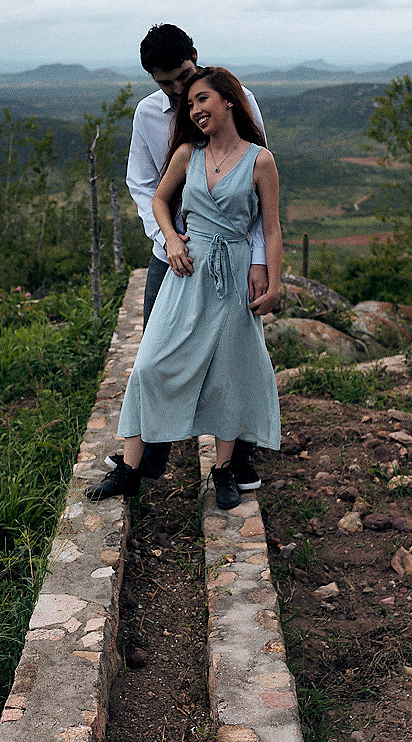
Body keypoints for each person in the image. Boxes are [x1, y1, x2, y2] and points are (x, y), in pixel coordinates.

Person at [86, 66, 282, 510]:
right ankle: (131, 471)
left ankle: (223, 470)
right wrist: (171, 239)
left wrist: (273, 281)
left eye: (202, 99)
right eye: (189, 104)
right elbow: (158, 198)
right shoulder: (186, 154)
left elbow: (271, 227)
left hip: (233, 275)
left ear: (229, 99)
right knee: (149, 366)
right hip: (186, 273)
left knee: (228, 374)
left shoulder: (261, 161)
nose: (193, 109)